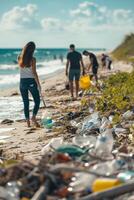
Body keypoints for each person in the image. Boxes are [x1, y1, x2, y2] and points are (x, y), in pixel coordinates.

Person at [18, 41, 41, 127]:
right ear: (32, 50)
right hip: (31, 81)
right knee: (37, 101)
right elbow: (34, 72)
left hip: (22, 82)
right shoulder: (33, 59)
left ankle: (28, 123)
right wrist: (38, 84)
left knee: (26, 102)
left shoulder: (19, 57)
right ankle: (33, 117)